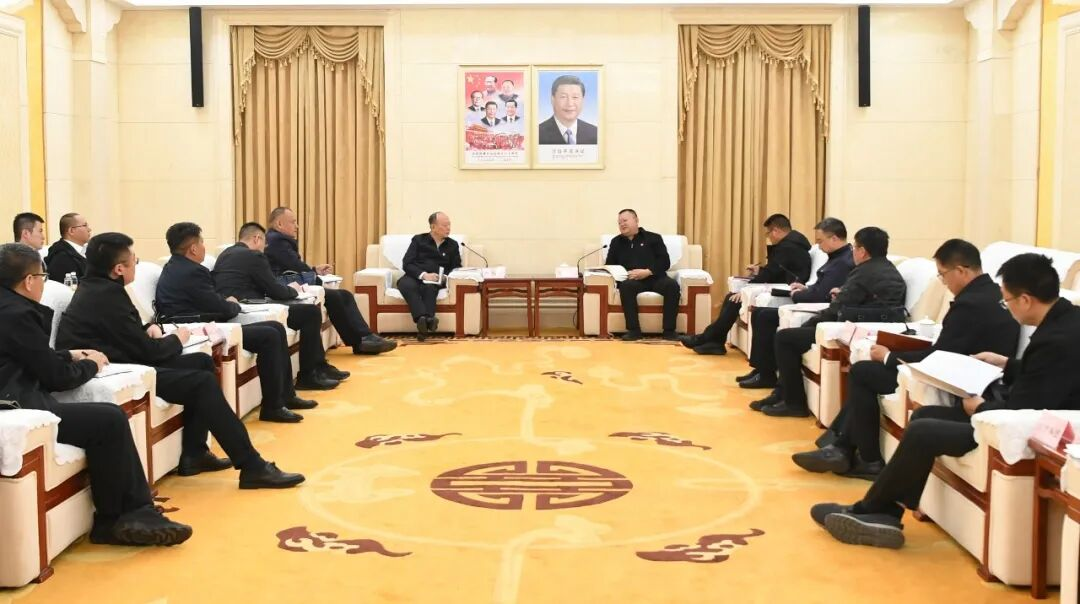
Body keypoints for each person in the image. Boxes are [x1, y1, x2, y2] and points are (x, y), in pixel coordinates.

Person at [812, 253, 1080, 549]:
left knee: (924, 430)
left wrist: (980, 407)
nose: (1007, 308)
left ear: (1026, 300)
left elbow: (1027, 407)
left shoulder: (1056, 340)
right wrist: (1006, 363)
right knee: (924, 416)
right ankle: (886, 509)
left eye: (1007, 302)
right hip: (1019, 408)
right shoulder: (1066, 319)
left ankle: (874, 510)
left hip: (1023, 426)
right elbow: (1045, 375)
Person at [56, 232, 304, 489]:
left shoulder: (100, 288)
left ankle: (195, 454)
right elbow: (149, 353)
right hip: (117, 370)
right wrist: (177, 338)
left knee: (202, 362)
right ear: (119, 269)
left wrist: (148, 329)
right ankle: (252, 465)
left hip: (124, 359)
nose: (136, 264)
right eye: (133, 260)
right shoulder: (106, 296)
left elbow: (124, 332)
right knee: (201, 383)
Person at [0, 242, 192, 546]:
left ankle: (129, 515)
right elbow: (56, 377)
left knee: (106, 418)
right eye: (42, 276)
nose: (43, 283)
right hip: (18, 407)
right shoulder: (17, 314)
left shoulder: (8, 308)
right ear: (29, 281)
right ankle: (124, 517)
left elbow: (25, 356)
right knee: (108, 420)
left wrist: (70, 354)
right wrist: (91, 364)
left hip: (14, 396)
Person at [792, 239, 1019, 480]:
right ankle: (841, 447)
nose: (943, 283)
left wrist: (889, 356)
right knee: (867, 372)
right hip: (973, 371)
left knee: (863, 372)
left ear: (961, 271)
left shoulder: (969, 304)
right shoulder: (993, 294)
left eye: (943, 275)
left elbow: (941, 355)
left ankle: (866, 458)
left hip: (960, 379)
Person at [155, 222, 317, 423]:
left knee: (274, 329)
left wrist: (226, 303)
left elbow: (209, 301)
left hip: (199, 323)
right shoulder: (192, 272)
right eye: (202, 242)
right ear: (193, 249)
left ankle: (285, 396)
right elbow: (220, 307)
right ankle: (273, 406)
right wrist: (233, 304)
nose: (205, 247)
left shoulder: (175, 267)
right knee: (270, 335)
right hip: (200, 329)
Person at [752, 226, 907, 417]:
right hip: (869, 325)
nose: (853, 252)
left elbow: (836, 310)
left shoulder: (863, 272)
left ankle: (794, 403)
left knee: (785, 338)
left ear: (862, 251)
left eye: (855, 247)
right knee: (792, 334)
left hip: (853, 328)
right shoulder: (887, 269)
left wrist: (812, 322)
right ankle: (781, 393)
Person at [213, 222, 343, 390]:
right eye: (264, 244)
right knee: (310, 313)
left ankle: (319, 367)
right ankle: (309, 374)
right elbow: (275, 290)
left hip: (232, 310)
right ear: (257, 238)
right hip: (251, 310)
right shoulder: (254, 256)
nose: (265, 249)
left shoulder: (224, 255)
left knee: (307, 313)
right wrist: (294, 290)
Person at [737, 218, 854, 388]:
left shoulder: (842, 263)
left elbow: (821, 296)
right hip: (813, 299)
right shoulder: (836, 258)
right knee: (760, 313)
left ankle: (766, 374)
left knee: (764, 317)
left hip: (819, 310)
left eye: (820, 241)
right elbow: (821, 287)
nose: (818, 246)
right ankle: (762, 369)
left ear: (834, 238)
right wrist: (805, 288)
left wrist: (798, 294)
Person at [263, 207, 396, 355]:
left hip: (292, 285)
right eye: (293, 222)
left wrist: (314, 270)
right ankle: (361, 340)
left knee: (344, 295)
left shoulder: (277, 240)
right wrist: (312, 271)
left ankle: (363, 338)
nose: (297, 226)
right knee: (336, 297)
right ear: (279, 224)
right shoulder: (277, 241)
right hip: (284, 290)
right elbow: (295, 266)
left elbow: (292, 266)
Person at [678, 214, 812, 356]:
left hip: (788, 289)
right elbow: (778, 270)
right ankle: (713, 341)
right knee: (731, 297)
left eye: (768, 234)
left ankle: (709, 339)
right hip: (784, 283)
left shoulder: (788, 247)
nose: (769, 238)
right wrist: (759, 270)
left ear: (776, 231)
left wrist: (745, 290)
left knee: (734, 299)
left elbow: (771, 273)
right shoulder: (793, 244)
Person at [605, 209, 680, 341]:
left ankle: (669, 331)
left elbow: (664, 261)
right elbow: (610, 265)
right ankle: (634, 331)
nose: (622, 224)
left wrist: (647, 272)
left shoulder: (654, 238)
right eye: (619, 222)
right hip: (633, 280)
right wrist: (624, 274)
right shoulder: (616, 242)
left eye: (625, 220)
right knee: (626, 287)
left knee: (672, 286)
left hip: (655, 277)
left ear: (636, 220)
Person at [398, 212, 463, 341]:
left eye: (449, 225)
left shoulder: (453, 245)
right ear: (433, 227)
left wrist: (444, 277)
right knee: (405, 284)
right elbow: (407, 263)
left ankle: (423, 323)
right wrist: (424, 275)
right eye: (444, 225)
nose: (448, 228)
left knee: (429, 288)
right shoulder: (418, 240)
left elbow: (456, 267)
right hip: (416, 276)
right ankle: (426, 319)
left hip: (437, 279)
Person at [538, 75, 598, 145]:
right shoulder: (537, 133)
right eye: (563, 97)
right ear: (553, 99)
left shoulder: (595, 133)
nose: (570, 103)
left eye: (575, 97)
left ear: (583, 100)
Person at [45, 212, 91, 283]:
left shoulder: (85, 251)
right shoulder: (61, 257)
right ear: (71, 231)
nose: (89, 229)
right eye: (85, 225)